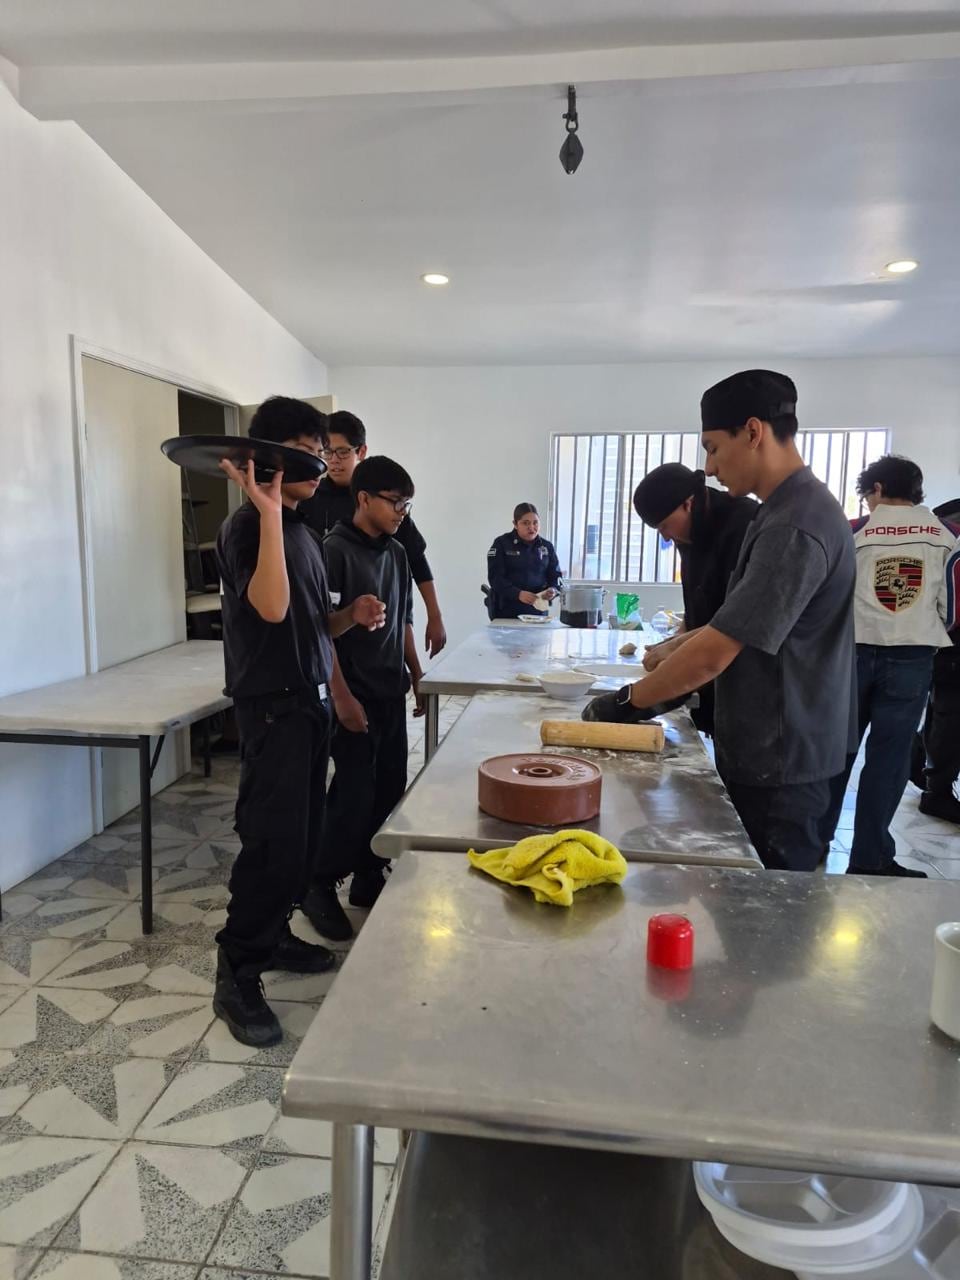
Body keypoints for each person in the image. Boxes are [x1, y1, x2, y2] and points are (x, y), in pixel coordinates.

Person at [583, 369, 858, 873]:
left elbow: (718, 649)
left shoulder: (794, 526)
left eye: (713, 448)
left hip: (783, 762)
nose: (708, 468)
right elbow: (725, 624)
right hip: (770, 748)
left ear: (753, 432)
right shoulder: (783, 512)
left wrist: (625, 704)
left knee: (770, 924)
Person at [213, 396, 386, 1046]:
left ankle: (277, 934)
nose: (317, 465)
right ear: (268, 462)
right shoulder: (247, 529)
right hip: (272, 707)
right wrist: (261, 510)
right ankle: (237, 971)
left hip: (309, 701)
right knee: (273, 842)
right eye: (303, 455)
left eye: (319, 453)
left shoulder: (303, 533)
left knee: (305, 835)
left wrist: (351, 616)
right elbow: (272, 608)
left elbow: (312, 623)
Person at [303, 456, 424, 940]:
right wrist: (342, 698)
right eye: (395, 502)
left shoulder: (395, 553)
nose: (401, 511)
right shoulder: (333, 551)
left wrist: (416, 674)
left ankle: (368, 876)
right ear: (364, 499)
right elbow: (320, 634)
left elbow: (403, 621)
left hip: (389, 689)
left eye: (407, 504)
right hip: (351, 696)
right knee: (353, 793)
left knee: (390, 786)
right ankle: (319, 883)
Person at [819, 458, 960, 874]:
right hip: (912, 657)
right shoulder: (946, 535)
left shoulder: (853, 531)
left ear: (878, 488)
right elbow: (952, 609)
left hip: (853, 654)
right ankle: (870, 857)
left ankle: (816, 839)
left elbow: (831, 597)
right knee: (889, 760)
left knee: (839, 752)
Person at [299, 409, 447, 658]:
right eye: (327, 451)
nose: (333, 460)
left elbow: (417, 560)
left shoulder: (386, 503)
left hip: (383, 637)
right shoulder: (310, 498)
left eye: (343, 451)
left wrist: (435, 615)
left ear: (362, 452)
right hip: (333, 638)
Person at [632, 463, 758, 733]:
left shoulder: (744, 524)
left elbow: (740, 621)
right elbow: (699, 603)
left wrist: (677, 648)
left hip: (748, 682)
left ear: (688, 503)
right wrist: (674, 639)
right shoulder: (687, 530)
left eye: (664, 525)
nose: (665, 536)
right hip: (707, 678)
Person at [911, 497, 960, 825]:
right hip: (952, 643)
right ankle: (936, 790)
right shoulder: (951, 533)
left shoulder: (945, 522)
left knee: (943, 711)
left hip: (944, 641)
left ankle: (918, 767)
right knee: (951, 715)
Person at [486, 503, 563, 619]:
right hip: (507, 611)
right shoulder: (501, 544)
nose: (531, 527)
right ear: (515, 524)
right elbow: (495, 578)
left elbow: (556, 576)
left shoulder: (546, 547)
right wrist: (518, 594)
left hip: (537, 611)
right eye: (525, 523)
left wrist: (553, 590)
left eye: (535, 522)